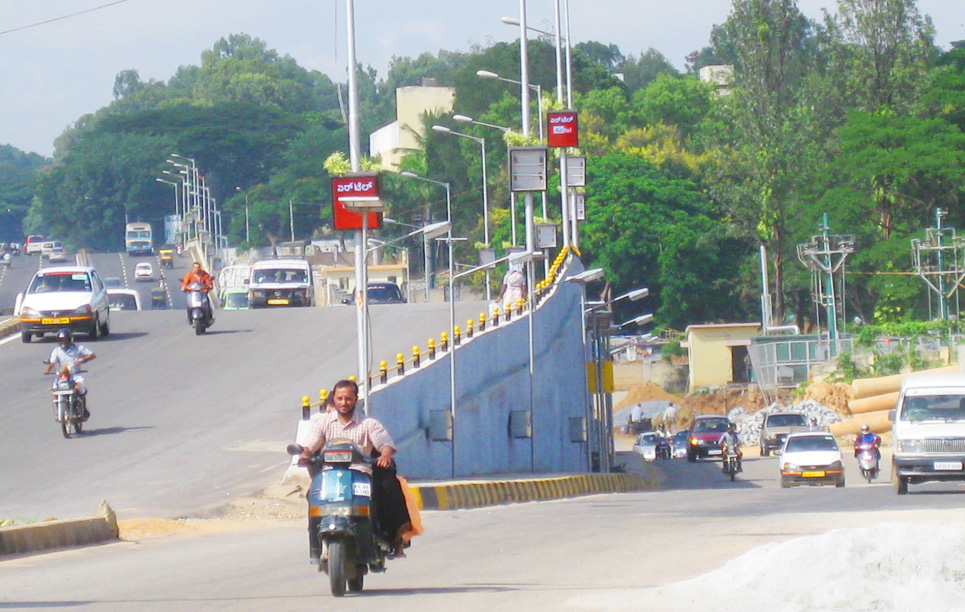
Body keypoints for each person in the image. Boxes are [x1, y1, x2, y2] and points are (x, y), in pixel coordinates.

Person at [299, 380, 412, 561]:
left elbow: (385, 444)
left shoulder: (368, 424)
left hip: (360, 474)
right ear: (334, 400)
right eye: (340, 399)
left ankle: (380, 535)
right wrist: (304, 454)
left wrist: (385, 455)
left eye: (348, 399)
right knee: (313, 496)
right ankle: (315, 539)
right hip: (329, 475)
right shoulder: (323, 423)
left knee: (375, 497)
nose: (344, 403)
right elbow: (309, 446)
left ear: (355, 399)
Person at [43, 328, 96, 420]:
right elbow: (52, 363)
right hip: (62, 376)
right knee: (55, 389)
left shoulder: (78, 348)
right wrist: (47, 370)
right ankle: (60, 410)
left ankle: (83, 409)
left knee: (81, 386)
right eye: (61, 340)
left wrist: (82, 359)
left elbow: (92, 355)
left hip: (75, 375)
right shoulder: (56, 351)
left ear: (69, 339)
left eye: (64, 339)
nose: (63, 342)